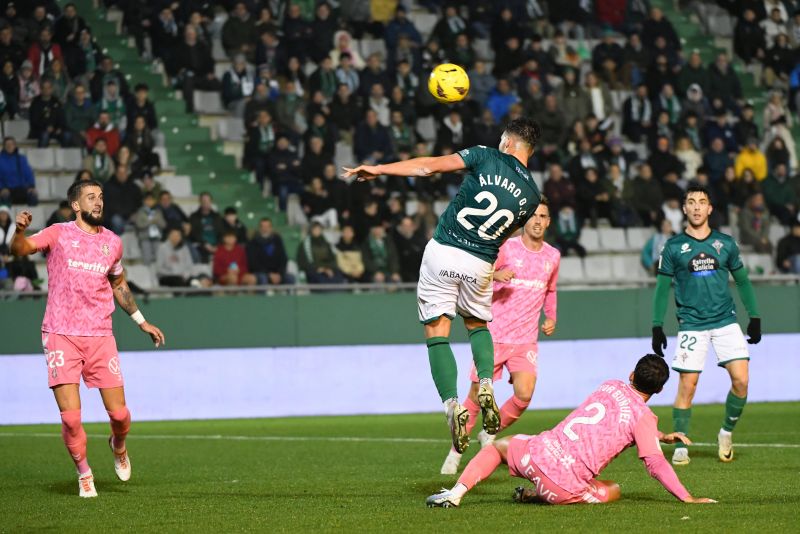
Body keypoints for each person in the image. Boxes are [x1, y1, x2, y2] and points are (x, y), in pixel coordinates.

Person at [343, 118, 542, 454]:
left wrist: (379, 169)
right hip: (481, 261)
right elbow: (506, 233)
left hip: (445, 249)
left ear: (507, 141)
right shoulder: (532, 196)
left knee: (437, 332)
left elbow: (427, 167)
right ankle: (486, 385)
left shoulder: (484, 155)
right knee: (477, 325)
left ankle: (452, 405)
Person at [9, 180, 165, 498]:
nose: (98, 202)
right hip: (60, 333)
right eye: (91, 198)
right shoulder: (58, 233)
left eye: (101, 197)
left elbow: (119, 285)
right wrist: (19, 232)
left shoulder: (113, 242)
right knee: (71, 418)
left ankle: (117, 445)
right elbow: (20, 250)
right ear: (76, 205)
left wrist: (141, 321)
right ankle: (84, 473)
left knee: (120, 416)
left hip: (100, 336)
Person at [426, 355, 716, 507]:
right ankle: (540, 495)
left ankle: (457, 491)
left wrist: (659, 435)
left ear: (631, 375)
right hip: (563, 487)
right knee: (613, 489)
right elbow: (654, 463)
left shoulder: (611, 385)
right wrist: (687, 497)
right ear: (660, 390)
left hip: (538, 455)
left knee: (499, 446)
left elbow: (614, 418)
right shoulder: (644, 418)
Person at [441, 200, 560, 474]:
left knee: (525, 394)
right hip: (493, 336)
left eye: (543, 216)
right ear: (524, 221)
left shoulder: (552, 256)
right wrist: (497, 275)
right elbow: (477, 277)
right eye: (533, 216)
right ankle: (456, 451)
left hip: (526, 340)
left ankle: (488, 431)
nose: (538, 221)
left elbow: (550, 290)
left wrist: (551, 316)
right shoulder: (506, 247)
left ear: (549, 221)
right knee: (474, 397)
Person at [651, 184, 762, 466]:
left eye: (702, 202)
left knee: (742, 380)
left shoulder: (725, 243)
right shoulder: (673, 247)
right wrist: (656, 325)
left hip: (726, 322)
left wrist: (755, 316)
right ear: (684, 209)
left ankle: (725, 432)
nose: (697, 207)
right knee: (688, 385)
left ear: (710, 208)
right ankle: (680, 443)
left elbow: (744, 281)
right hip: (691, 325)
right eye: (691, 202)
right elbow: (662, 288)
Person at [246, 218, 290, 285]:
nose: (265, 229)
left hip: (277, 273)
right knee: (263, 278)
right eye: (263, 226)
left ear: (271, 227)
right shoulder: (253, 242)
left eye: (267, 226)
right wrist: (269, 274)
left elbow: (283, 259)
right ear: (259, 228)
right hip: (261, 272)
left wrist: (279, 273)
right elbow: (253, 263)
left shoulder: (277, 240)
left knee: (290, 278)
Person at [0, 136, 38, 206]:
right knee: (4, 197)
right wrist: (1, 188)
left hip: (22, 189)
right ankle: (7, 216)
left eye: (11, 144)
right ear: (4, 146)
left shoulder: (22, 158)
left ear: (14, 146)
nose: (9, 146)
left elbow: (28, 174)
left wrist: (31, 186)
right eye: (7, 145)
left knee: (33, 195)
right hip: (7, 189)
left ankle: (29, 217)